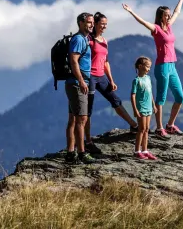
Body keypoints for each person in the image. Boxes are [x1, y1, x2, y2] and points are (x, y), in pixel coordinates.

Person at [121, 0, 183, 138]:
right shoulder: (156, 29)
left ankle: (170, 125)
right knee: (161, 98)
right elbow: (143, 22)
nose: (169, 16)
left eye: (168, 14)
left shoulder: (169, 26)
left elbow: (177, 12)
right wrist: (131, 12)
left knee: (180, 97)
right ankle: (159, 128)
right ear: (160, 16)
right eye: (166, 14)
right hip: (162, 67)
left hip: (172, 66)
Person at [84, 12, 138, 154]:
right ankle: (88, 141)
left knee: (115, 100)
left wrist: (111, 80)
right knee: (87, 110)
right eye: (102, 24)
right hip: (89, 77)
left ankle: (133, 125)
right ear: (95, 24)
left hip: (101, 76)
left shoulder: (104, 41)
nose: (104, 27)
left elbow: (106, 62)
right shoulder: (88, 40)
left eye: (106, 25)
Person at [65, 12, 96, 164]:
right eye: (89, 22)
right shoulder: (79, 39)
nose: (92, 25)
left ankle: (70, 153)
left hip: (74, 83)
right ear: (81, 23)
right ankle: (82, 153)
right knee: (81, 119)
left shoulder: (84, 39)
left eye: (92, 22)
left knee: (73, 119)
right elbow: (73, 61)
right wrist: (82, 81)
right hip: (77, 83)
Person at [131, 56, 157, 160]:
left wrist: (153, 105)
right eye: (147, 66)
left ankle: (145, 150)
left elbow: (150, 93)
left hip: (148, 108)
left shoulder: (148, 78)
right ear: (140, 66)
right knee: (141, 129)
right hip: (141, 108)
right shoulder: (136, 80)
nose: (149, 69)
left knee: (146, 129)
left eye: (150, 67)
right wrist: (135, 109)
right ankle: (137, 151)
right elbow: (132, 95)